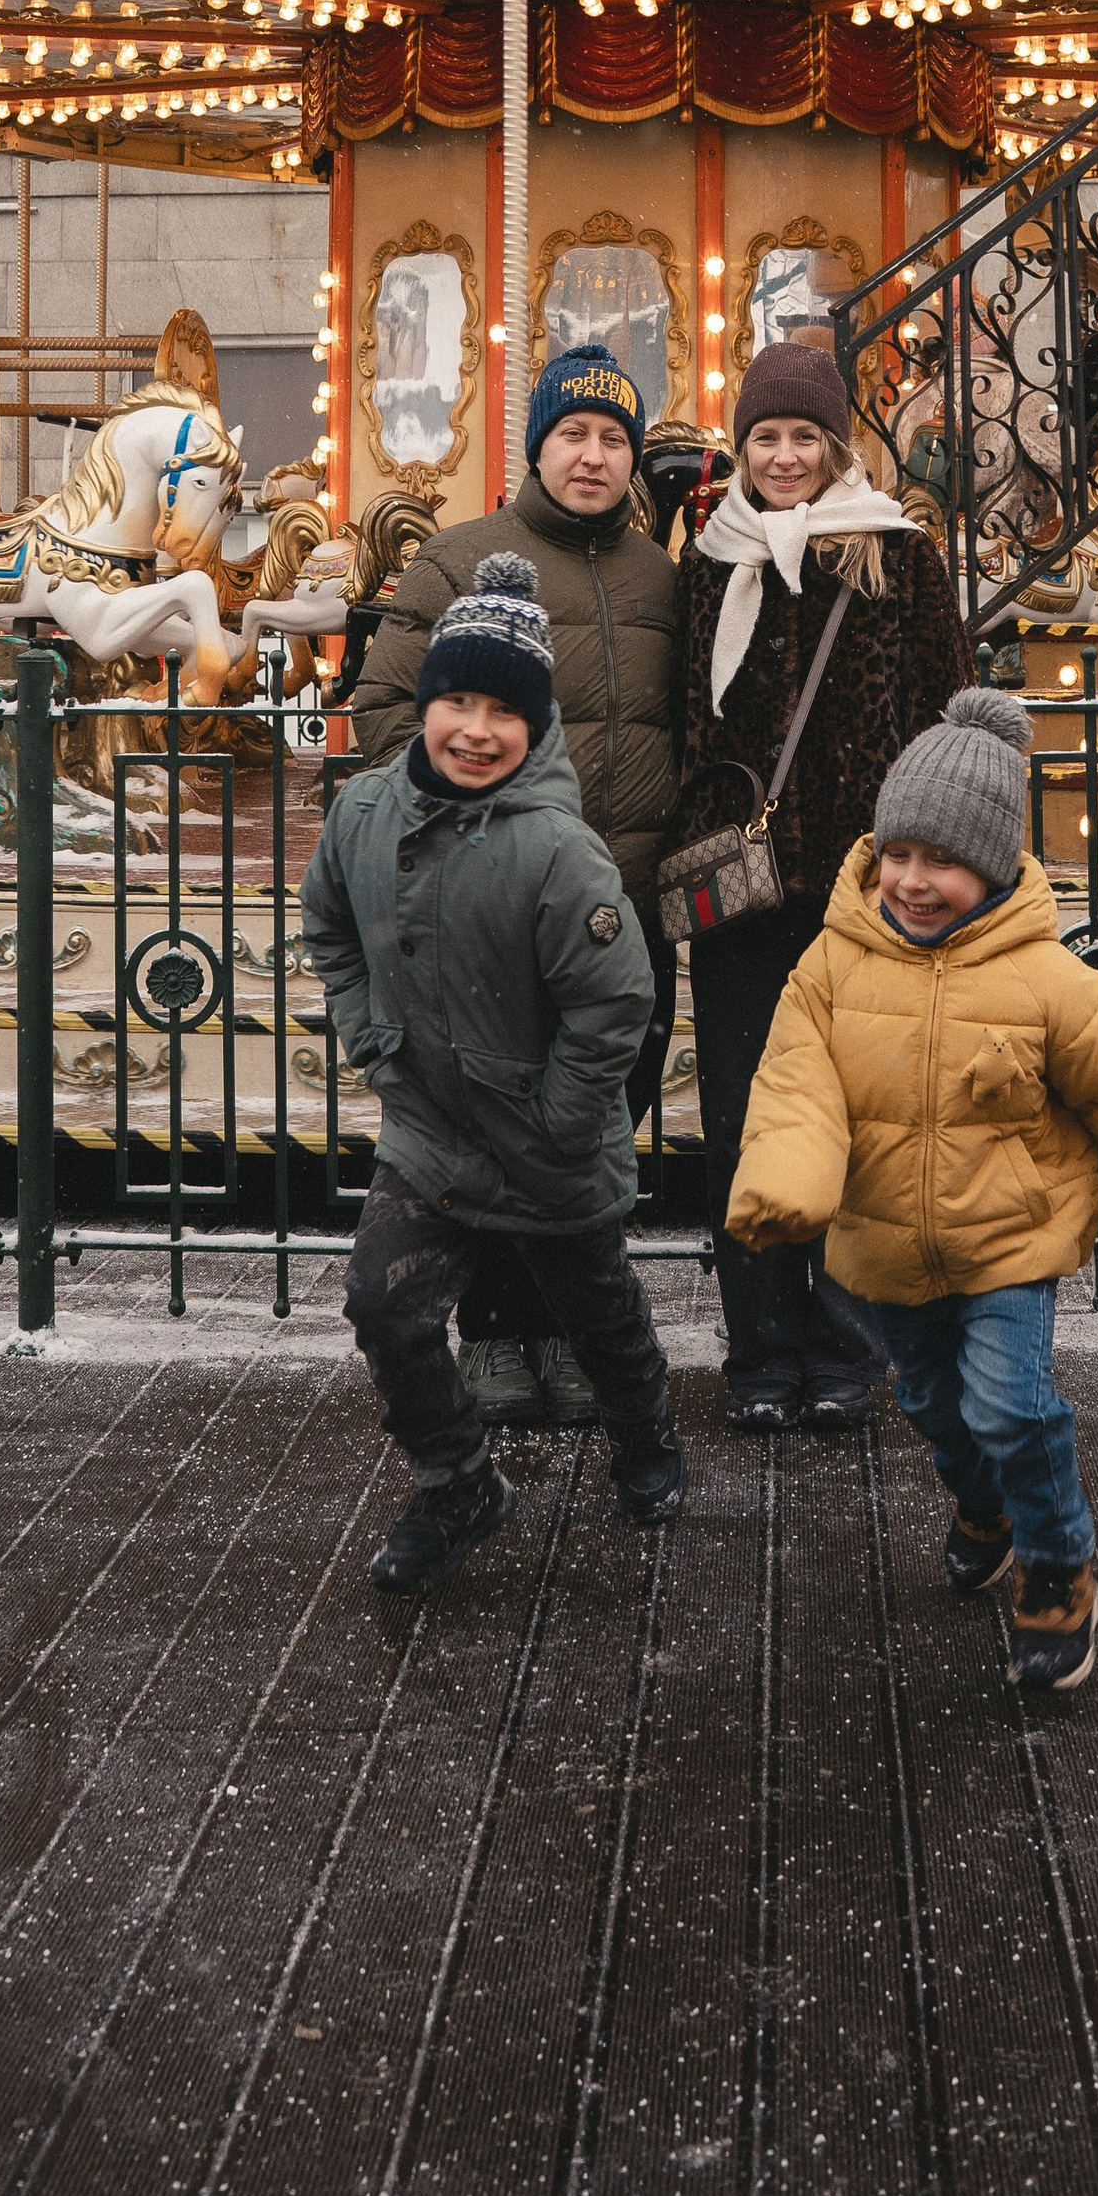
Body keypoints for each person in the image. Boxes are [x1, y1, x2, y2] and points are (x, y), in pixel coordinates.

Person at [725, 690, 1098, 1689]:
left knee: (1011, 1409)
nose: (913, 883)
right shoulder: (828, 967)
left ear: (995, 866)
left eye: (943, 862)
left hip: (1009, 1241)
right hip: (884, 1248)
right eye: (899, 856)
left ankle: (1056, 1566)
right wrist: (788, 1180)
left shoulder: (1049, 981)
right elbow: (796, 1081)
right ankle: (983, 1507)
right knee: (935, 1407)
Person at [306, 554, 687, 1593]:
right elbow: (330, 925)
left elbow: (615, 1000)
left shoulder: (561, 853)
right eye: (455, 702)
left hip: (543, 1133)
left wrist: (564, 1116)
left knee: (596, 1310)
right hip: (429, 1126)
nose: (475, 730)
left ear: (537, 726)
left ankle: (645, 1429)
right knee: (384, 1305)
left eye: (501, 712)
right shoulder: (364, 816)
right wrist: (368, 1035)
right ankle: (455, 1480)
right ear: (425, 703)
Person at [350, 344, 678, 1429]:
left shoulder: (657, 578)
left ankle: (571, 1329)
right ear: (536, 443)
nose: (593, 456)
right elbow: (387, 712)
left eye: (613, 438)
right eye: (573, 433)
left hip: (618, 901)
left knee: (591, 1124)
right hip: (490, 909)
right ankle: (493, 1331)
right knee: (490, 1125)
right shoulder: (458, 561)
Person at [671, 340, 972, 1431]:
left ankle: (845, 1349)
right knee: (746, 1120)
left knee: (857, 1120)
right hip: (743, 898)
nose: (786, 457)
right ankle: (758, 1349)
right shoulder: (708, 559)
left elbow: (944, 718)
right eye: (766, 437)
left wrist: (929, 867)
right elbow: (682, 722)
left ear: (835, 444)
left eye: (804, 436)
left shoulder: (899, 558)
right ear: (741, 448)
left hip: (864, 894)